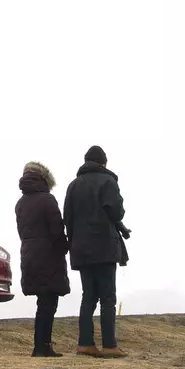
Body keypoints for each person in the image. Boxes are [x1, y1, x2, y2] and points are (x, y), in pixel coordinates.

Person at [62, 145, 127, 357]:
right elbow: (116, 211)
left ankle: (85, 343)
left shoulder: (73, 186)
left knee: (88, 295)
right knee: (108, 297)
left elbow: (68, 218)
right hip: (104, 247)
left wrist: (74, 243)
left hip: (81, 248)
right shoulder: (108, 181)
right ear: (103, 163)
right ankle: (110, 345)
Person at [15, 161, 69, 357]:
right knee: (49, 302)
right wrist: (64, 248)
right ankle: (42, 346)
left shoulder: (21, 203)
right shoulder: (47, 199)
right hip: (48, 255)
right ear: (44, 179)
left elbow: (22, 231)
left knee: (42, 301)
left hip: (29, 253)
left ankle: (41, 345)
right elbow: (57, 229)